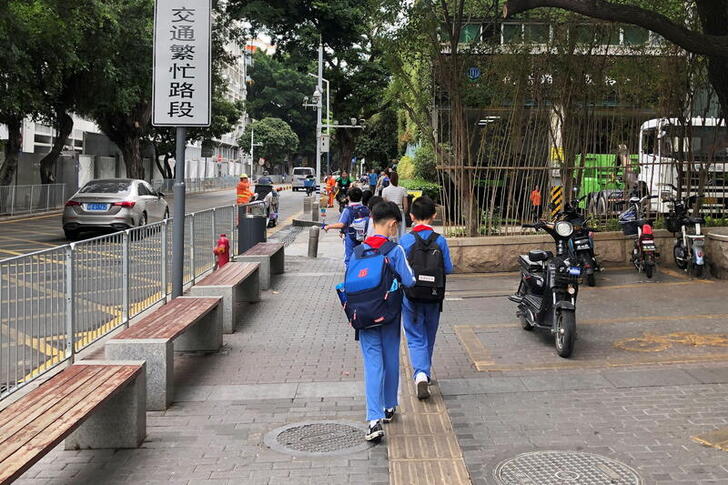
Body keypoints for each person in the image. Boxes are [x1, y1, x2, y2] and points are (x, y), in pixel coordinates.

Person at [355, 201, 415, 441]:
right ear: (392, 224)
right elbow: (409, 281)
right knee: (390, 358)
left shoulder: (359, 250)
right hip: (389, 314)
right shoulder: (395, 250)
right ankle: (389, 405)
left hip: (364, 315)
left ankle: (373, 420)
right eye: (396, 226)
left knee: (372, 363)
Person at [399, 196, 453, 400]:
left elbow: (399, 269)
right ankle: (425, 373)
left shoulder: (405, 240)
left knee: (415, 336)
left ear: (411, 216)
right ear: (434, 216)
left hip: (411, 296)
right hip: (433, 295)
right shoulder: (440, 240)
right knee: (429, 334)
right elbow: (448, 268)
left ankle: (420, 374)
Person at [323, 187, 370, 267]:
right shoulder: (366, 209)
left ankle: (349, 275)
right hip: (364, 237)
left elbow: (341, 224)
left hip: (351, 237)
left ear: (348, 197)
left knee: (349, 258)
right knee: (360, 257)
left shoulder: (347, 210)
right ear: (361, 197)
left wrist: (328, 226)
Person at [381, 171, 409, 241]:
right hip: (400, 212)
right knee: (401, 233)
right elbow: (406, 205)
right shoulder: (402, 189)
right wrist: (403, 213)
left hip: (389, 213)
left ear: (389, 179)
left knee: (390, 232)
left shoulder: (385, 190)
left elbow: (384, 203)